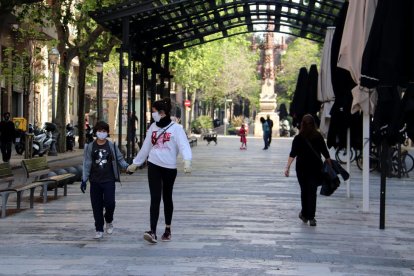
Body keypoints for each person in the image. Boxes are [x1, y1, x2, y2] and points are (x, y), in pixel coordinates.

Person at [127, 98, 192, 244]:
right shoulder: (152, 128)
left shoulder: (176, 128)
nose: (153, 114)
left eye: (154, 112)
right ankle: (153, 231)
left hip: (169, 167)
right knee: (155, 198)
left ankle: (167, 229)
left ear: (162, 113)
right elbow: (146, 147)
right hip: (154, 165)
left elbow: (183, 145)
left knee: (167, 197)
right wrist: (135, 164)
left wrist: (187, 161)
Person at [81, 121, 130, 240]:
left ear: (107, 132)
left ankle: (109, 219)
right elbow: (87, 163)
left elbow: (119, 159)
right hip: (95, 180)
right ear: (95, 132)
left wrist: (128, 167)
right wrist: (84, 179)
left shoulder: (112, 146)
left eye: (104, 131)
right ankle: (99, 229)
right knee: (96, 206)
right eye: (99, 131)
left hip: (109, 180)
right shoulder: (90, 146)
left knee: (110, 203)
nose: (101, 133)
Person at [284, 114, 331, 227]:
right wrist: (330, 165)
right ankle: (311, 217)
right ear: (314, 124)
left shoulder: (298, 138)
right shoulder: (318, 136)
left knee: (304, 191)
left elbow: (293, 154)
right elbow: (325, 152)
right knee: (312, 192)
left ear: (302, 125)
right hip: (315, 168)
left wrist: (287, 167)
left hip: (302, 168)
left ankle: (304, 214)